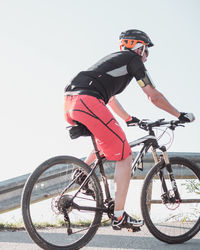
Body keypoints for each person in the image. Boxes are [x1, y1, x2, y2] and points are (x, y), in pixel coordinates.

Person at [64, 29, 195, 230]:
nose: (146, 58)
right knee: (124, 155)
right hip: (88, 100)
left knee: (105, 139)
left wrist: (128, 118)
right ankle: (119, 216)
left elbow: (111, 99)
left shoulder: (116, 60)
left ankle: (82, 172)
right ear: (138, 47)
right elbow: (154, 96)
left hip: (72, 102)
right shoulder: (133, 60)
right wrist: (179, 115)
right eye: (146, 52)